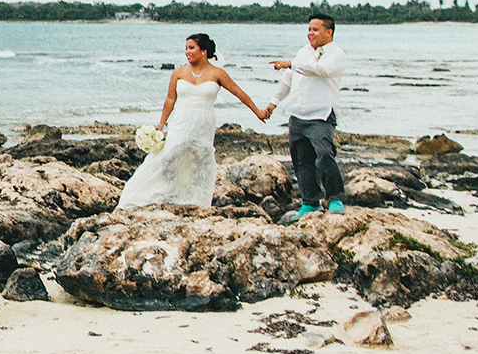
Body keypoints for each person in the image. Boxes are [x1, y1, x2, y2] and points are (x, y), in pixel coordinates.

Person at [119, 33, 268, 209]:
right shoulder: (179, 72)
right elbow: (170, 99)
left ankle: (196, 199)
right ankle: (164, 192)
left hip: (204, 121)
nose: (187, 52)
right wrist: (161, 124)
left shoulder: (218, 73)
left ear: (203, 51)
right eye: (186, 48)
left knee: (200, 159)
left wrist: (257, 111)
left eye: (191, 48)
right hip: (181, 120)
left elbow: (238, 93)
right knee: (169, 156)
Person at [262, 13, 348, 217]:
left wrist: (291, 63)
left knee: (325, 155)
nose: (310, 33)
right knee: (301, 160)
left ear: (329, 32)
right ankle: (310, 202)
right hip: (297, 113)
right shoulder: (302, 53)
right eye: (309, 29)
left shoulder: (337, 55)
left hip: (321, 114)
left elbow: (321, 70)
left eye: (315, 29)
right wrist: (273, 103)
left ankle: (335, 198)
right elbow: (288, 80)